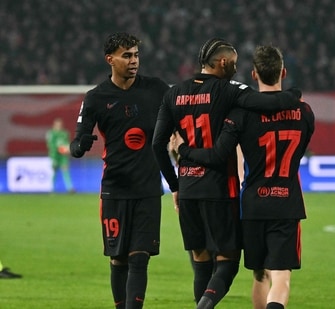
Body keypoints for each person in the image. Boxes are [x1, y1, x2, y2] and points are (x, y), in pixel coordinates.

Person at [152, 38, 301, 309]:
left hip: (188, 189)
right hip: (220, 188)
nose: (236, 67)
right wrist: (294, 95)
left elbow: (157, 144)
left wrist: (175, 186)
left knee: (200, 263)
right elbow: (266, 103)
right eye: (233, 62)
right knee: (227, 265)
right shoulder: (229, 89)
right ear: (222, 62)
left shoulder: (173, 93)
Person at [69, 32, 170, 309]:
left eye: (136, 55)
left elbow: (180, 122)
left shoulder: (157, 89)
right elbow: (77, 140)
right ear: (110, 59)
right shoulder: (95, 98)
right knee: (119, 259)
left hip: (148, 188)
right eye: (127, 55)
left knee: (140, 257)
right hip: (115, 189)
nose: (134, 61)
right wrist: (79, 146)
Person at [45, 117, 75, 193]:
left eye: (60, 124)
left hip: (63, 155)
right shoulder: (51, 133)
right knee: (54, 171)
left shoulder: (65, 133)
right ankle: (51, 188)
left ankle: (70, 188)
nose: (59, 126)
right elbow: (50, 145)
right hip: (54, 154)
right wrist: (56, 151)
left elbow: (67, 143)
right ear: (54, 125)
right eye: (57, 124)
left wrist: (67, 149)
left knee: (65, 169)